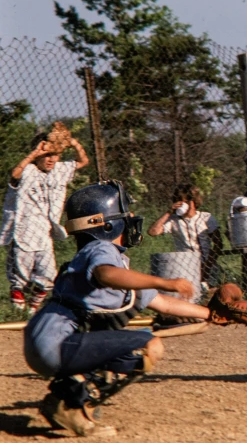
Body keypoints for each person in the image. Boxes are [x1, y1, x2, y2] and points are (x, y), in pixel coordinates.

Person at [24, 180, 211, 437]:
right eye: (126, 214)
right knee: (148, 345)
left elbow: (163, 302)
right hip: (56, 344)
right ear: (108, 224)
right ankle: (70, 403)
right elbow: (105, 275)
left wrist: (213, 315)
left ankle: (64, 398)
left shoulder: (98, 256)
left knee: (129, 334)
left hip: (46, 341)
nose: (132, 219)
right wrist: (163, 281)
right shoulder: (101, 249)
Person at [1, 131, 89, 315]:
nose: (51, 159)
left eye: (54, 155)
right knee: (20, 276)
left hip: (44, 232)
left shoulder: (59, 170)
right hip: (23, 229)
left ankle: (32, 309)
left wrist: (73, 143)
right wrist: (34, 153)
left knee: (49, 276)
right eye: (46, 155)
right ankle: (17, 310)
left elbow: (83, 161)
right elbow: (15, 174)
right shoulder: (28, 171)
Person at [147, 184, 223, 289]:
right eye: (179, 201)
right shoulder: (174, 220)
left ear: (193, 201)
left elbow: (218, 243)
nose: (182, 204)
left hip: (206, 263)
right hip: (184, 265)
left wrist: (209, 264)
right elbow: (153, 232)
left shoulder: (206, 217)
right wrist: (169, 212)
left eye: (185, 201)